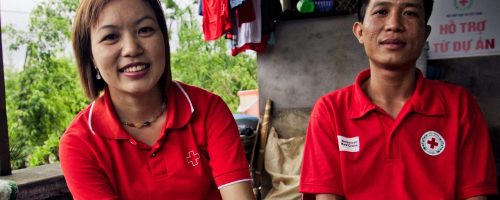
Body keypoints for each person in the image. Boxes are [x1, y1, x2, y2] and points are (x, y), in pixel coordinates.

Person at [299, 0, 498, 199]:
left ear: (425, 33)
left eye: (410, 13)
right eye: (382, 11)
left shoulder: (459, 105)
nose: (394, 24)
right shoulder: (331, 110)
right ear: (359, 32)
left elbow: (475, 194)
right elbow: (327, 196)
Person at [59, 0, 255, 199]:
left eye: (144, 30)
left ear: (163, 39)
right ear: (90, 57)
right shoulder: (80, 144)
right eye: (111, 36)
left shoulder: (209, 111)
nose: (132, 49)